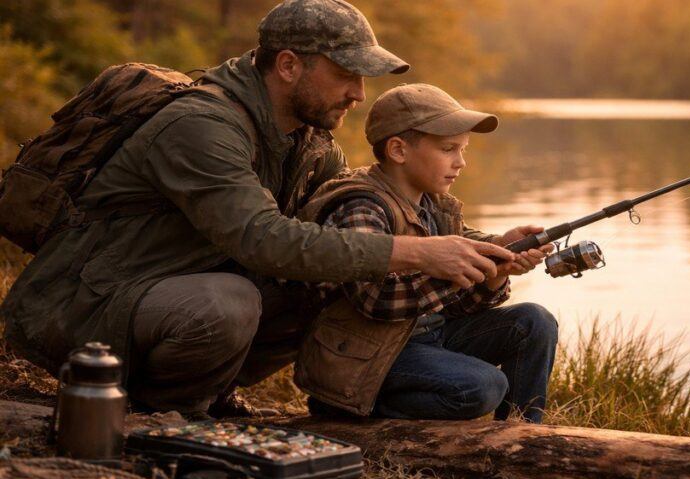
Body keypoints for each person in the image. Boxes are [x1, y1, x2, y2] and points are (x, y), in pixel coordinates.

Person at [0, 0, 513, 420]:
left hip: (167, 293)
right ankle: (166, 413)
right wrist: (418, 253)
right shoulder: (201, 126)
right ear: (289, 66)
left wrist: (480, 245)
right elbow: (263, 240)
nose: (359, 94)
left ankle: (209, 395)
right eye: (345, 75)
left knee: (326, 279)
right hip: (88, 306)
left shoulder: (307, 139)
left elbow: (355, 214)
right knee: (232, 301)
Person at [295, 84, 558, 423]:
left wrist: (497, 271)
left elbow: (457, 306)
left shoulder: (433, 206)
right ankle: (354, 409)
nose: (460, 162)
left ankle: (523, 434)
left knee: (534, 321)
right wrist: (459, 270)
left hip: (427, 343)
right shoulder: (361, 206)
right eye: (449, 149)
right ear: (398, 150)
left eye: (462, 149)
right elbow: (375, 301)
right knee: (485, 386)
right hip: (369, 359)